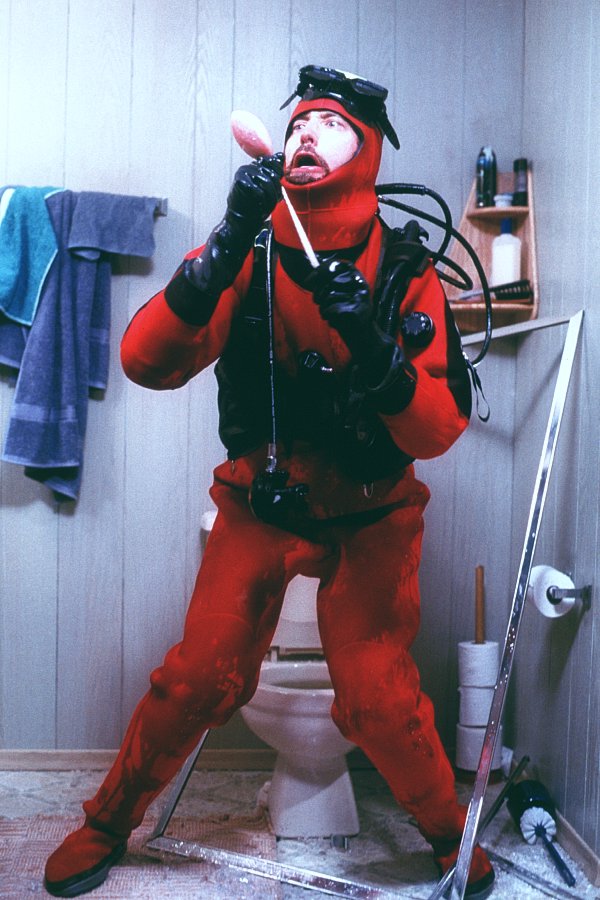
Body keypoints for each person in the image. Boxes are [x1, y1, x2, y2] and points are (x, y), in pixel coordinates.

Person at [44, 65, 494, 899]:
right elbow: (144, 362)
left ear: (368, 150)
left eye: (331, 124)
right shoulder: (247, 248)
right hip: (263, 497)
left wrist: (376, 349)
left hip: (372, 510)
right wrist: (219, 250)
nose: (306, 133)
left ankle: (447, 837)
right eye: (296, 125)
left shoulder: (405, 269)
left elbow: (437, 431)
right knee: (197, 676)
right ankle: (105, 823)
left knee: (378, 695)